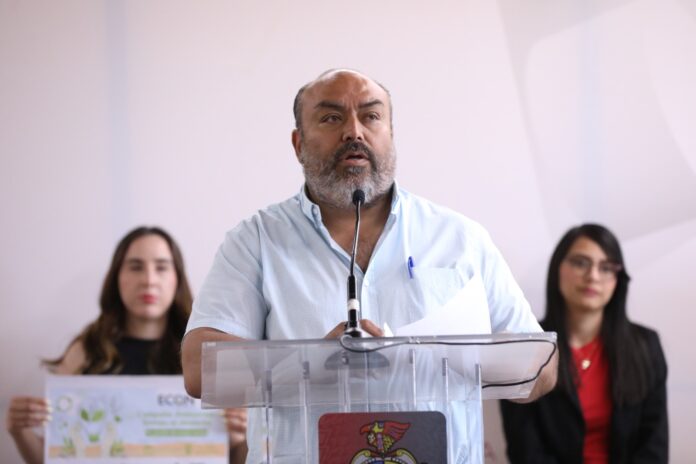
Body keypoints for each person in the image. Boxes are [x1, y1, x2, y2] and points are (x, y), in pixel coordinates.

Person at [182, 69, 557, 462]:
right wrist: (314, 364)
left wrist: (439, 356)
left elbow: (542, 372)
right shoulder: (257, 241)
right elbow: (198, 368)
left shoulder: (460, 239)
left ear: (390, 135)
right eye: (331, 117)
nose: (354, 132)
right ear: (298, 143)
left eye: (371, 116)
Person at [5, 226, 247, 464]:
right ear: (117, 277)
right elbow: (56, 456)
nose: (149, 280)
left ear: (177, 279)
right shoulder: (86, 350)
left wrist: (243, 436)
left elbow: (241, 457)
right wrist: (20, 430)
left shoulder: (204, 354)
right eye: (135, 266)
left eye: (161, 267)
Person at [500, 224, 668, 463]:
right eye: (580, 263)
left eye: (606, 268)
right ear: (558, 268)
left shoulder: (646, 346)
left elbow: (654, 448)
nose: (593, 276)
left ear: (618, 279)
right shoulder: (525, 348)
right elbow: (525, 452)